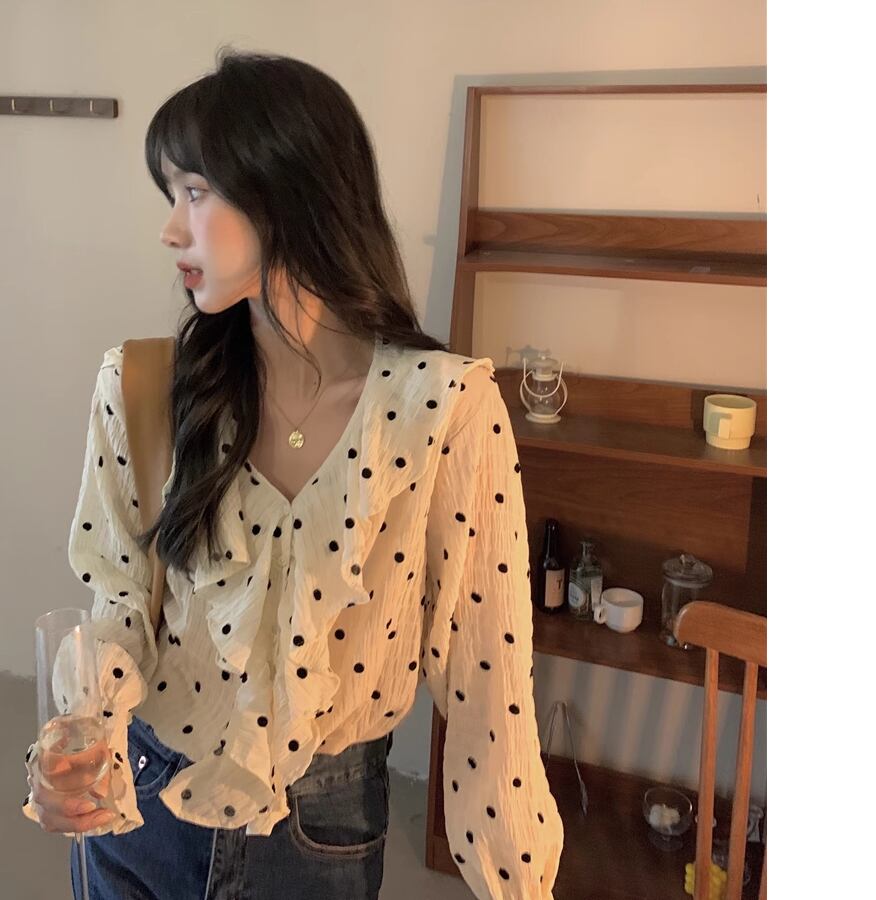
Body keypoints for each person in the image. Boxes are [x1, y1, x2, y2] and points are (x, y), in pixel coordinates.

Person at [22, 48, 564, 899]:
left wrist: (518, 881)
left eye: (195, 192)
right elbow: (120, 604)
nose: (170, 230)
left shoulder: (443, 411)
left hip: (320, 831)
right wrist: (81, 739)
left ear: (285, 193)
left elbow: (489, 687)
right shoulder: (142, 387)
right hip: (140, 811)